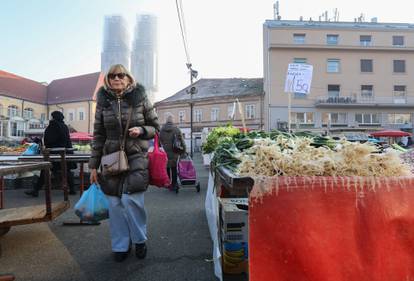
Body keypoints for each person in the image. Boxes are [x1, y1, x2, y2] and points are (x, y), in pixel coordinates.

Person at [89, 64, 159, 262]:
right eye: (112, 76)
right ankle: (121, 245)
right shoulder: (103, 102)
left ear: (128, 78)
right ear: (108, 80)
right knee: (114, 203)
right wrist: (93, 166)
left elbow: (155, 127)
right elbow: (98, 135)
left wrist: (142, 130)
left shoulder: (141, 98)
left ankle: (139, 240)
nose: (117, 78)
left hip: (136, 155)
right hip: (110, 158)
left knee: (131, 200)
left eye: (121, 75)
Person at [25, 111, 77, 197]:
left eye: (52, 116)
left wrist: (40, 141)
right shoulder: (64, 126)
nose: (51, 118)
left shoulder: (53, 125)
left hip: (54, 153)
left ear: (54, 117)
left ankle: (36, 190)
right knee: (66, 170)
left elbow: (49, 139)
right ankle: (72, 189)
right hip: (64, 153)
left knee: (45, 169)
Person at [159, 115, 186, 192]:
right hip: (174, 151)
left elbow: (159, 141)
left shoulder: (162, 130)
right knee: (174, 168)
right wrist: (184, 150)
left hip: (165, 152)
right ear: (172, 120)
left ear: (166, 121)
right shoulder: (176, 129)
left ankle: (168, 184)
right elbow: (181, 141)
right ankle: (174, 184)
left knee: (167, 168)